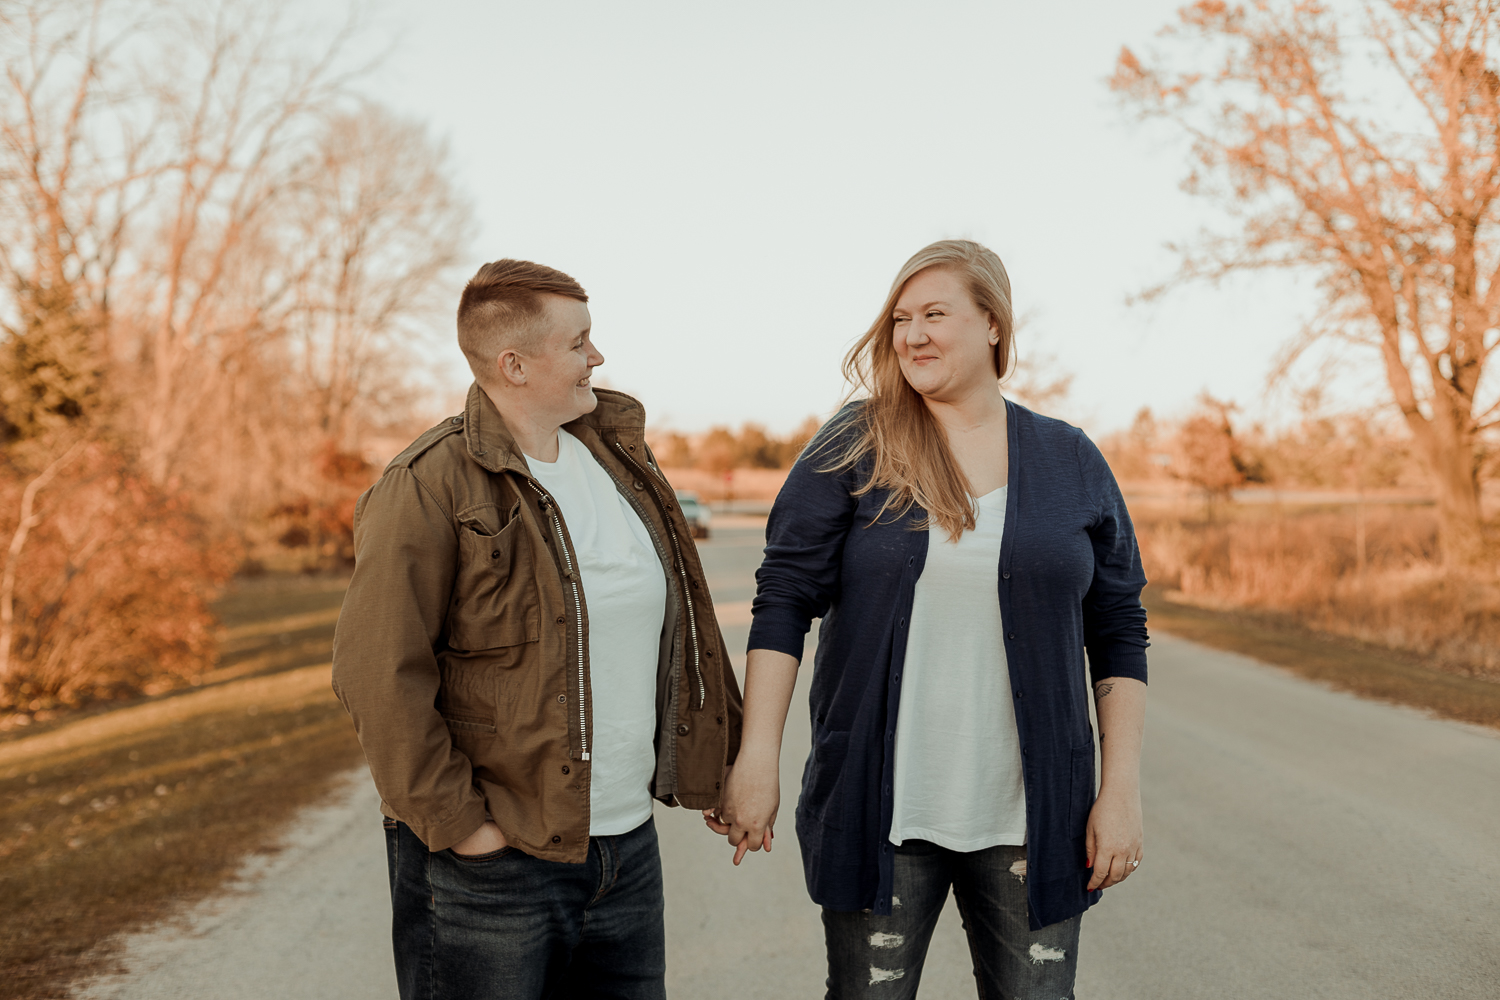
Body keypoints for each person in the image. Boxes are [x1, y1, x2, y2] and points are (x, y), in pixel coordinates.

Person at [707, 240, 1149, 999]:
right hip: (881, 816)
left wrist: (1122, 788)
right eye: (900, 319)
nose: (912, 335)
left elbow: (1117, 628)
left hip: (1031, 820)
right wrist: (757, 758)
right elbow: (783, 600)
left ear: (993, 324)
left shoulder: (1070, 459)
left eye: (934, 315)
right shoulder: (856, 444)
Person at [333, 259, 743, 1000]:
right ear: (513, 365)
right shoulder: (427, 482)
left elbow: (685, 625)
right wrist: (465, 831)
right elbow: (377, 672)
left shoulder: (621, 461)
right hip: (493, 866)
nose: (598, 357)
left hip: (625, 854)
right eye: (579, 342)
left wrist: (722, 756)